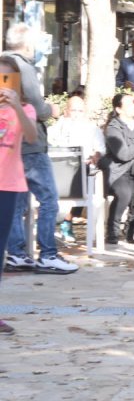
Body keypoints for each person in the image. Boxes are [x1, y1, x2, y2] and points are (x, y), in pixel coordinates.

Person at [2, 23, 78, 274]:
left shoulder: (5, 65)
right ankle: (47, 253)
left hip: (12, 145)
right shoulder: (21, 67)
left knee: (17, 202)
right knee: (48, 199)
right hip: (30, 146)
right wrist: (52, 110)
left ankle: (17, 253)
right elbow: (34, 106)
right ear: (27, 42)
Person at [0, 55, 38, 334]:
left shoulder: (24, 108)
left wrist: (16, 107)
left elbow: (33, 136)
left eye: (7, 78)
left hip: (9, 184)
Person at [49, 95, 107, 242]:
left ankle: (67, 221)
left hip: (83, 170)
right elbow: (49, 145)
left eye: (80, 111)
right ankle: (52, 226)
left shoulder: (92, 129)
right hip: (59, 170)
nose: (76, 114)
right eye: (73, 110)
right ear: (67, 111)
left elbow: (100, 149)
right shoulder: (56, 128)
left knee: (86, 180)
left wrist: (95, 155)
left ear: (85, 112)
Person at [102, 93, 134, 245]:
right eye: (129, 104)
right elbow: (123, 154)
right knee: (125, 193)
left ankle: (131, 232)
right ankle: (112, 232)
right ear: (119, 109)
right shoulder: (113, 127)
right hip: (119, 171)